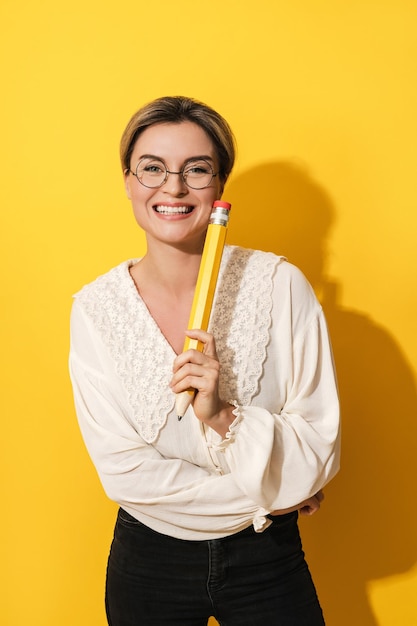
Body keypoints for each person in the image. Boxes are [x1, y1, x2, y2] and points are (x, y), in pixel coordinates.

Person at [69, 96, 340, 626]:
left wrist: (225, 417)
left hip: (269, 560)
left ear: (219, 187)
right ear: (128, 181)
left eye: (197, 170)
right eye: (152, 169)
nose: (173, 187)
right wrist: (271, 489)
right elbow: (123, 472)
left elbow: (319, 444)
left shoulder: (282, 286)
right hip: (149, 563)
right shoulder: (95, 309)